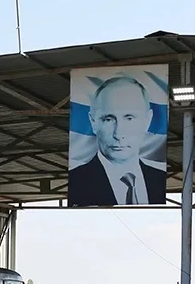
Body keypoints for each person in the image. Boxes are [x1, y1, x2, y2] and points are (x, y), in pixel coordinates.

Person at [68, 75, 167, 207]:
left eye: (129, 118)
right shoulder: (76, 182)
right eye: (108, 119)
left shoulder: (159, 179)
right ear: (93, 122)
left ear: (147, 121)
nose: (118, 133)